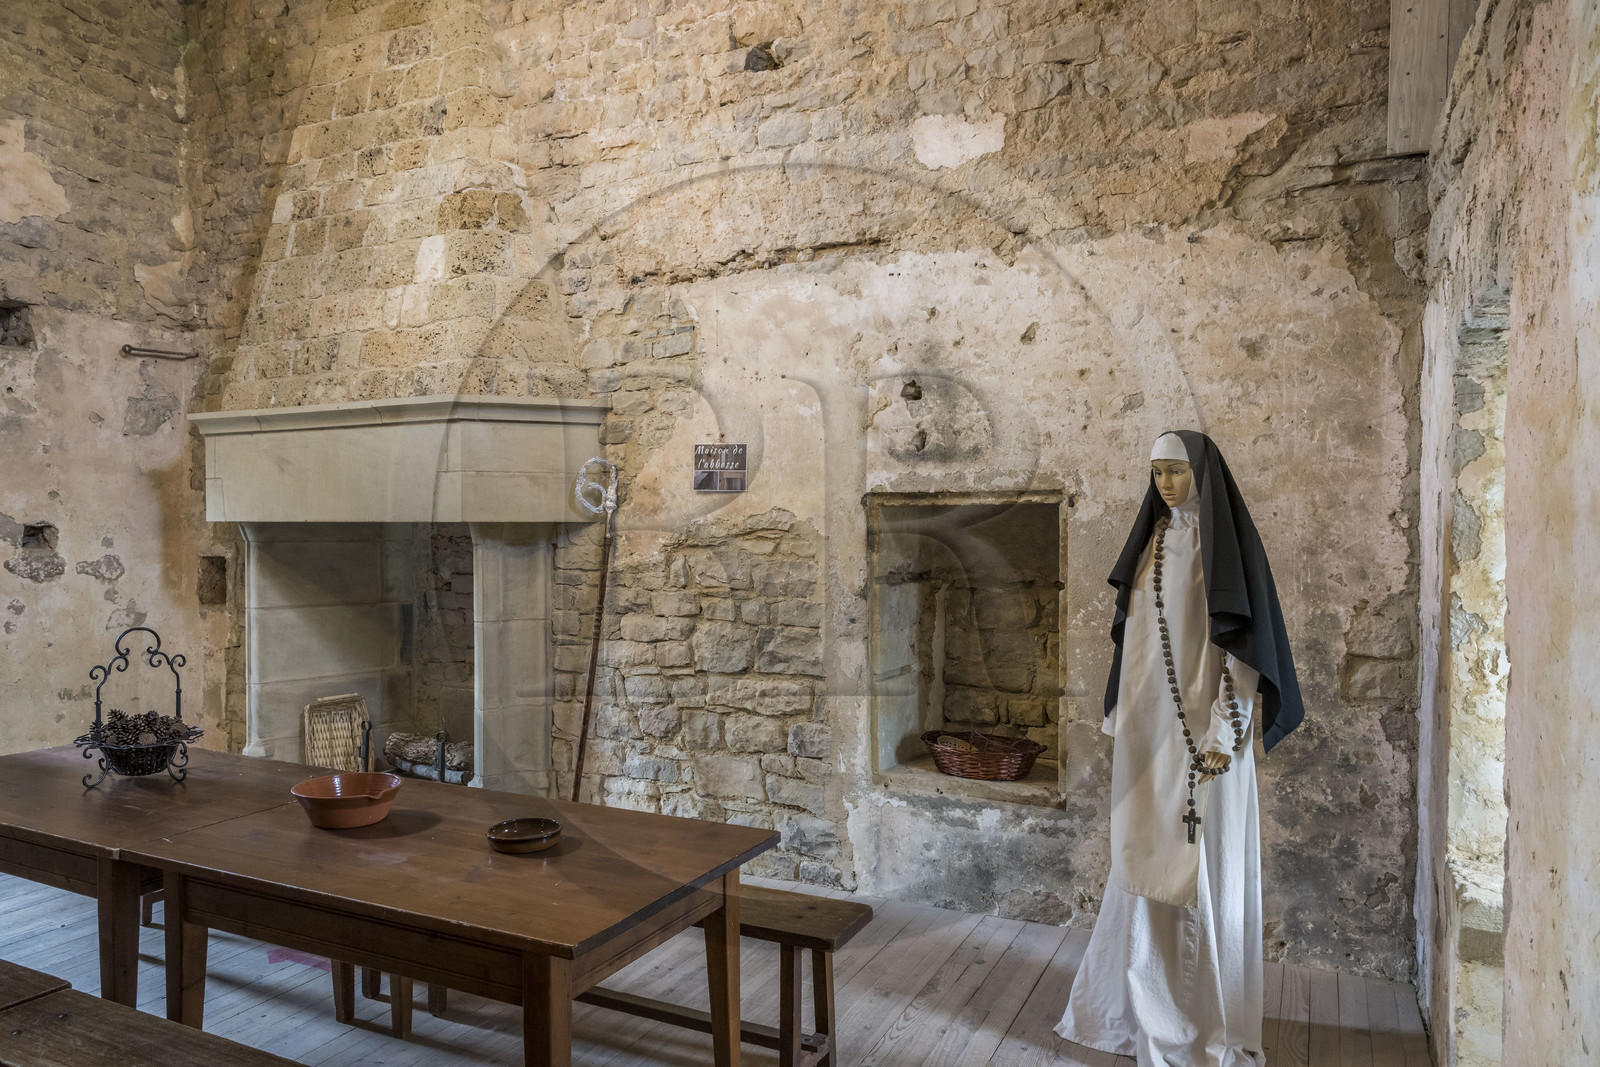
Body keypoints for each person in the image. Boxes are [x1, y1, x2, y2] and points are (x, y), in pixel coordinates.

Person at [1056, 430, 1303, 1067]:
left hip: (1203, 737)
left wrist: (1226, 730)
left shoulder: (1222, 551)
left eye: (1176, 471)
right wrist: (1124, 717)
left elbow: (1241, 650)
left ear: (1201, 474)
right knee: (1140, 857)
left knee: (1199, 867)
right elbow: (1135, 641)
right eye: (1156, 473)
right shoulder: (1154, 541)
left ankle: (1194, 1021)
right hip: (1149, 737)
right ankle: (1130, 1008)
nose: (1164, 484)